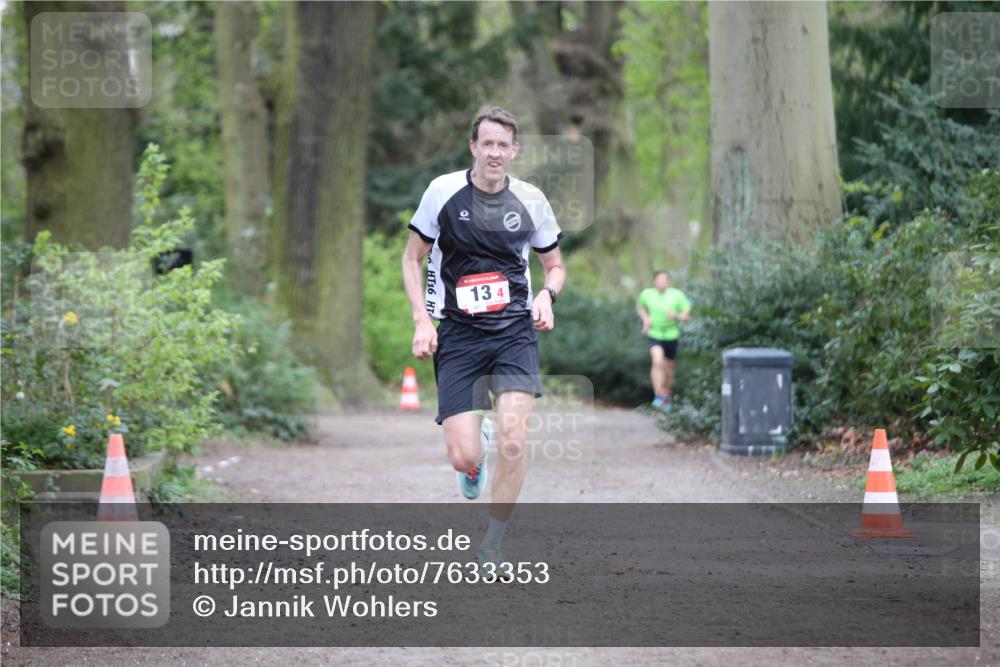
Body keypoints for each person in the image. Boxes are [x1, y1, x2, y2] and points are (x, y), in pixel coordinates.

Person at [401, 106, 565, 576]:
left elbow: (554, 265)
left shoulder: (531, 199)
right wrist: (422, 320)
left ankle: (492, 544)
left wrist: (547, 296)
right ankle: (476, 456)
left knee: (514, 442)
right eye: (487, 143)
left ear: (515, 151)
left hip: (514, 332)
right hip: (459, 334)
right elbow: (412, 258)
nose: (495, 152)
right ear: (473, 146)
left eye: (503, 145)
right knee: (463, 456)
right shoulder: (442, 192)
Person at [636, 271, 691, 412]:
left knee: (669, 370)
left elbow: (686, 315)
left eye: (664, 280)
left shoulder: (677, 295)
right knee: (657, 361)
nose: (661, 282)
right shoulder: (647, 294)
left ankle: (666, 394)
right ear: (654, 281)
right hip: (655, 333)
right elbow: (640, 307)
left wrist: (676, 315)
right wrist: (646, 320)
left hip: (672, 335)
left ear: (668, 282)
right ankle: (658, 396)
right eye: (659, 280)